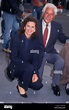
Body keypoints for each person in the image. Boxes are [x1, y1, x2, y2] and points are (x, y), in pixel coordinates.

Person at [6, 16, 43, 98]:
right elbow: (13, 57)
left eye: (32, 27)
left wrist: (35, 73)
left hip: (29, 68)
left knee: (38, 85)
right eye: (28, 26)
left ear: (35, 28)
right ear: (24, 26)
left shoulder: (36, 41)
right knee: (29, 67)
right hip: (16, 66)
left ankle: (24, 78)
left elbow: (35, 58)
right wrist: (29, 67)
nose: (30, 29)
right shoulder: (16, 39)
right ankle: (21, 86)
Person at [37, 3, 69, 96]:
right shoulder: (36, 24)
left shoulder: (57, 26)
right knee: (38, 80)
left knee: (61, 61)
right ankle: (38, 80)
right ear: (43, 13)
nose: (49, 16)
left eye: (51, 14)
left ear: (54, 16)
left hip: (51, 52)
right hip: (39, 53)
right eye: (47, 13)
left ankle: (55, 84)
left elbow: (62, 38)